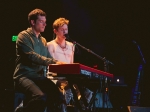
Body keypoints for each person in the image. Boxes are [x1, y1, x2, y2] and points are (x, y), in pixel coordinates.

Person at [13, 9, 65, 112]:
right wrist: (54, 62)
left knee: (59, 96)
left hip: (38, 77)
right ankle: (21, 110)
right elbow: (32, 56)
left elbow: (49, 58)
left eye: (45, 22)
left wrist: (62, 65)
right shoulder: (23, 36)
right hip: (24, 76)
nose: (45, 24)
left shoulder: (43, 40)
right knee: (40, 96)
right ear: (33, 22)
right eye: (41, 21)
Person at [47, 18, 93, 111]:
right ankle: (61, 109)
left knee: (88, 93)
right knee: (68, 90)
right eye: (62, 30)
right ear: (55, 31)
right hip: (55, 78)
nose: (65, 32)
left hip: (69, 78)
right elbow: (50, 65)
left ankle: (78, 109)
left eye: (66, 29)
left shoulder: (71, 46)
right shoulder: (50, 45)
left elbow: (71, 64)